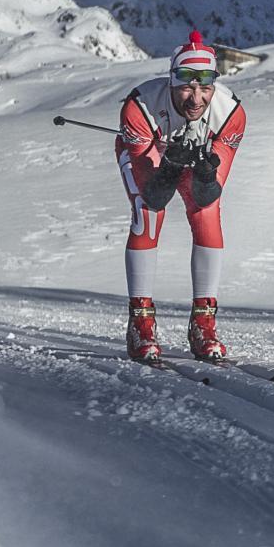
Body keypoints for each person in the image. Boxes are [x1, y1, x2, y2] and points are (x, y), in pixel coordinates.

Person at [115, 30, 247, 361]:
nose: (196, 98)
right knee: (148, 215)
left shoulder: (230, 114)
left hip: (192, 157)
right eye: (187, 87)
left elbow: (206, 195)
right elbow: (154, 194)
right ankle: (141, 323)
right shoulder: (140, 107)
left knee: (207, 215)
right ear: (171, 84)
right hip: (150, 154)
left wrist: (203, 169)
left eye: (205, 88)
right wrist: (171, 165)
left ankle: (204, 322)